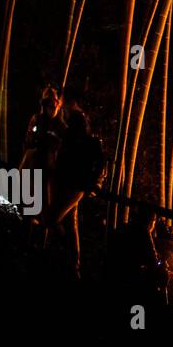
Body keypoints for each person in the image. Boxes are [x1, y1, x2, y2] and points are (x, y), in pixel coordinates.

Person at [43, 90, 105, 279]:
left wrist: (95, 184)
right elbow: (63, 159)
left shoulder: (89, 142)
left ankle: (71, 258)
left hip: (77, 187)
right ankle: (74, 265)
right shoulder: (69, 139)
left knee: (52, 219)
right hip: (67, 183)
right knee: (71, 224)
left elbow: (101, 165)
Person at [106, 204, 168, 331]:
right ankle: (156, 313)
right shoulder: (144, 233)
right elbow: (152, 262)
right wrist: (162, 263)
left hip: (113, 273)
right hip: (131, 278)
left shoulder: (124, 227)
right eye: (154, 221)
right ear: (151, 221)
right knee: (163, 274)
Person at [19, 87, 65, 223]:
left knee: (47, 206)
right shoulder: (37, 119)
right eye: (47, 103)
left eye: (54, 103)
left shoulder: (60, 124)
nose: (51, 107)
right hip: (36, 164)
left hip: (51, 167)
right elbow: (29, 138)